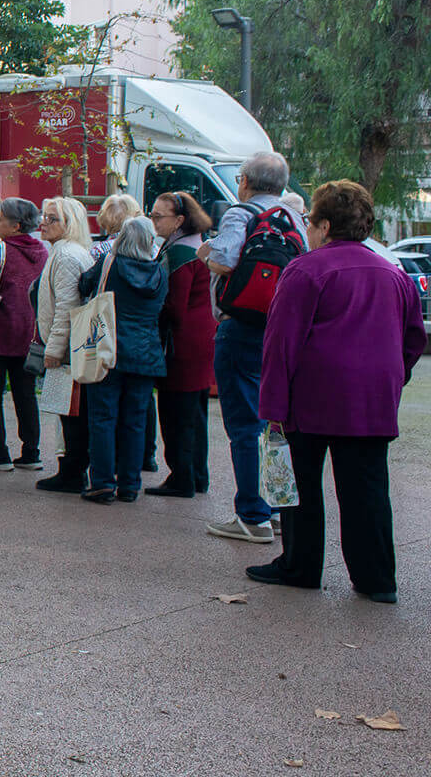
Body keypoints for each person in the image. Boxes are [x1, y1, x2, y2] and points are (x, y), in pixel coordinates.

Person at [249, 181, 422, 601]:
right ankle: (377, 579)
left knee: (301, 486)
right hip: (372, 398)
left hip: (312, 396)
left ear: (324, 225)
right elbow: (413, 338)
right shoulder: (393, 273)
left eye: (310, 221)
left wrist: (272, 404)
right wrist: (395, 377)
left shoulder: (306, 270)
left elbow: (281, 343)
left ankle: (301, 565)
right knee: (367, 490)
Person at [202, 151, 307, 543]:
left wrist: (208, 251)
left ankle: (251, 515)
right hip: (279, 329)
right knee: (274, 424)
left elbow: (225, 260)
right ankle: (277, 509)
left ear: (244, 180)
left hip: (240, 325)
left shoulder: (239, 213)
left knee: (245, 424)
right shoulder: (294, 217)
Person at [75, 218, 168, 503]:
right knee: (135, 420)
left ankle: (102, 482)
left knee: (103, 418)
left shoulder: (109, 263)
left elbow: (84, 284)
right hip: (146, 352)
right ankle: (130, 484)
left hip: (108, 347)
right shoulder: (160, 271)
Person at [0, 197, 50, 471]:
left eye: (2, 218)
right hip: (29, 331)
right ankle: (31, 452)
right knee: (25, 394)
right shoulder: (43, 251)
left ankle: (0, 453)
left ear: (15, 225)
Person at [149, 192, 217, 497]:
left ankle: (182, 477)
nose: (153, 221)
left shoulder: (178, 253)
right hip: (201, 338)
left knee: (176, 412)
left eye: (158, 216)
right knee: (195, 412)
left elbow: (174, 305)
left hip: (182, 343)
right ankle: (197, 475)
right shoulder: (196, 244)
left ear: (179, 220)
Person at [33, 198, 97, 494]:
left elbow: (67, 309)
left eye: (52, 218)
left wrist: (54, 350)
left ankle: (72, 471)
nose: (43, 223)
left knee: (71, 412)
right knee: (67, 410)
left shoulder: (68, 256)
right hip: (68, 344)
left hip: (70, 347)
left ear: (69, 224)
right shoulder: (63, 252)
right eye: (44, 217)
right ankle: (71, 468)